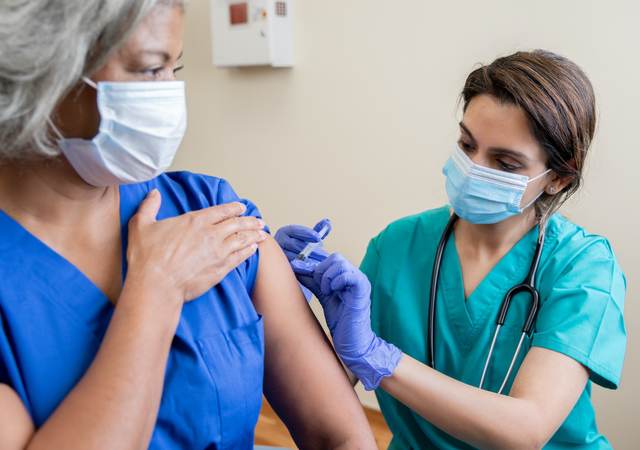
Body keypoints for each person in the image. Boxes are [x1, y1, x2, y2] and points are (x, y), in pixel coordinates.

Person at [0, 1, 378, 449]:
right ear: (45, 68)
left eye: (174, 68)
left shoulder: (209, 209)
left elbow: (341, 436)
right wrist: (154, 291)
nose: (171, 95)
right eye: (149, 70)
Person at [276, 50, 627, 449]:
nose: (474, 167)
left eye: (505, 163)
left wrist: (379, 357)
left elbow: (526, 429)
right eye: (467, 143)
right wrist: (281, 299)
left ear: (558, 180)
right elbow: (324, 398)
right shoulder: (397, 246)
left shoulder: (583, 267)